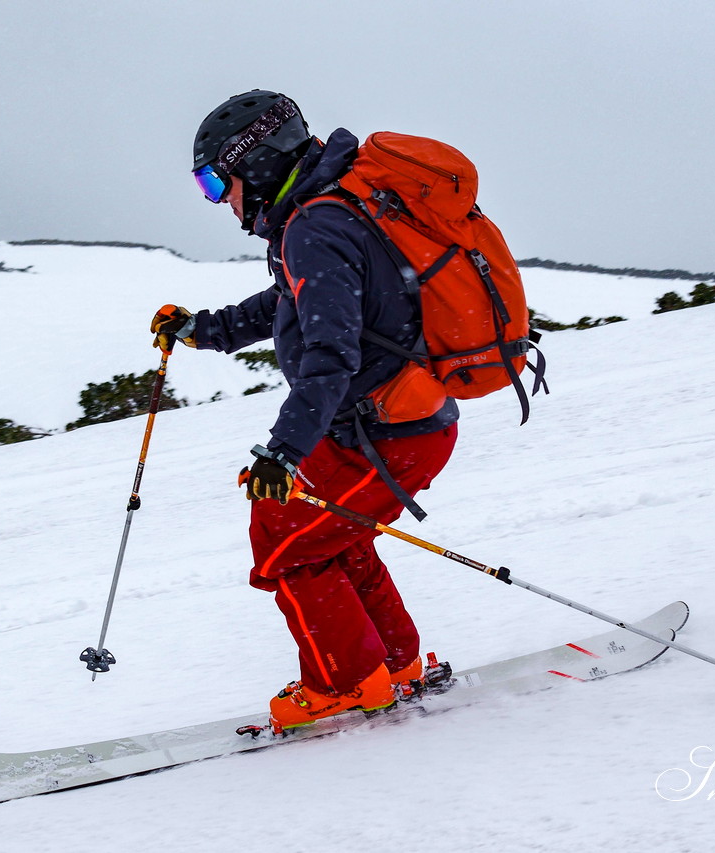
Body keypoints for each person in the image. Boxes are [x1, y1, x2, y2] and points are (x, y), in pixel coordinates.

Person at [151, 90, 460, 731]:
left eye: (217, 181)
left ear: (256, 163)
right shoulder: (321, 214)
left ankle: (347, 682)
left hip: (387, 430)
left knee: (282, 542)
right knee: (331, 539)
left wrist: (282, 453)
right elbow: (288, 303)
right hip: (386, 425)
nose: (220, 200)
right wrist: (203, 330)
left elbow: (328, 355)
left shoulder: (318, 226)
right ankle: (393, 667)